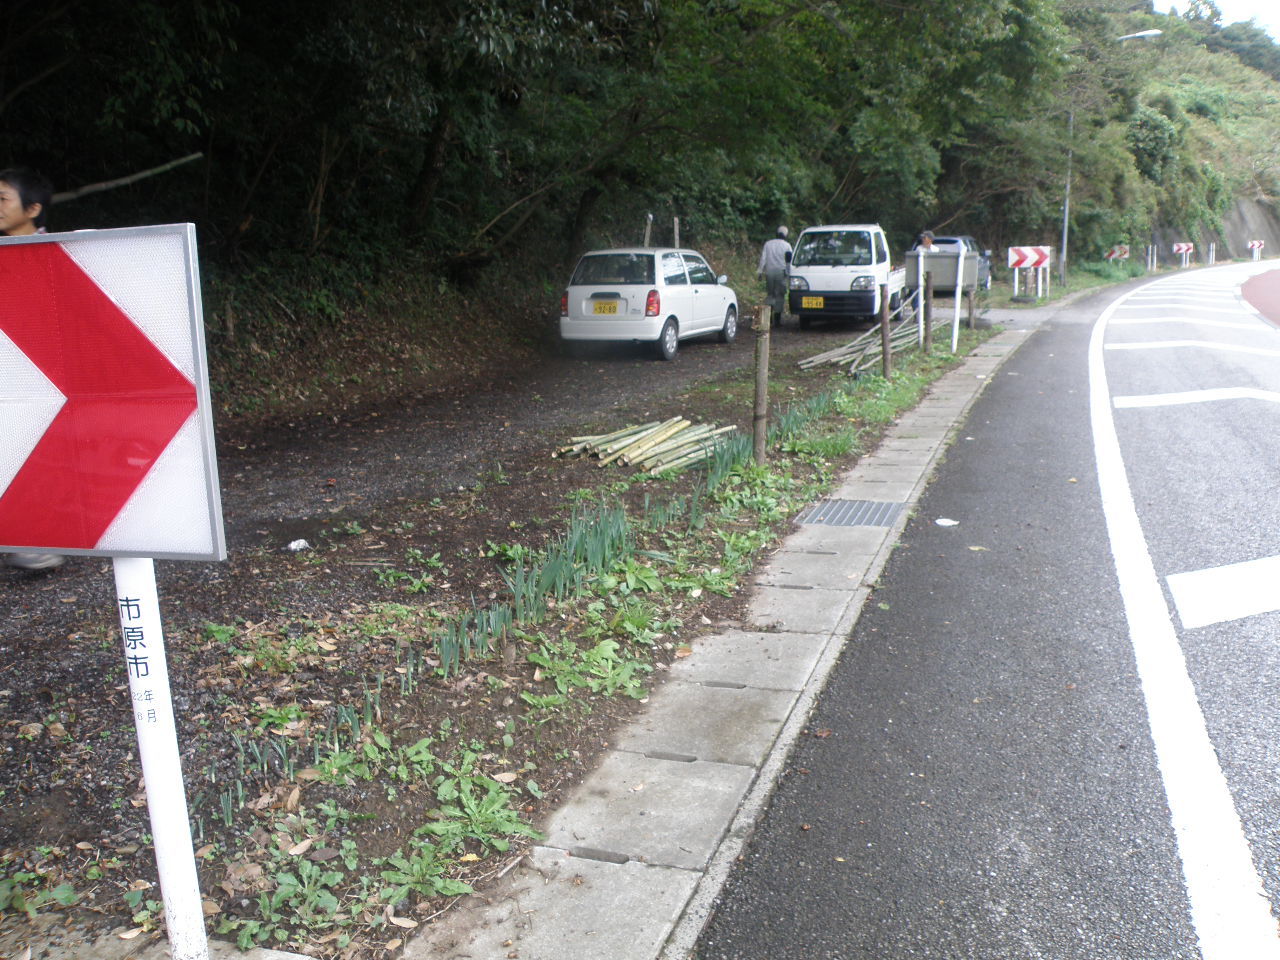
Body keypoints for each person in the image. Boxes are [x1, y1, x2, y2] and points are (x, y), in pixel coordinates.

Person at [0, 167, 65, 572]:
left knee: (35, 453)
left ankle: (39, 539)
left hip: (40, 376)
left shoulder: (56, 255)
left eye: (3, 199)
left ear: (33, 208)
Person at [757, 225, 792, 327]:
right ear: (785, 235)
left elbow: (763, 258)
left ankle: (768, 317)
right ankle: (777, 319)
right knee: (780, 295)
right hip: (781, 272)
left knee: (770, 294)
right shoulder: (787, 246)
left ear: (776, 233)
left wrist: (760, 272)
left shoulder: (768, 244)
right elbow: (789, 262)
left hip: (769, 272)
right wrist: (789, 274)